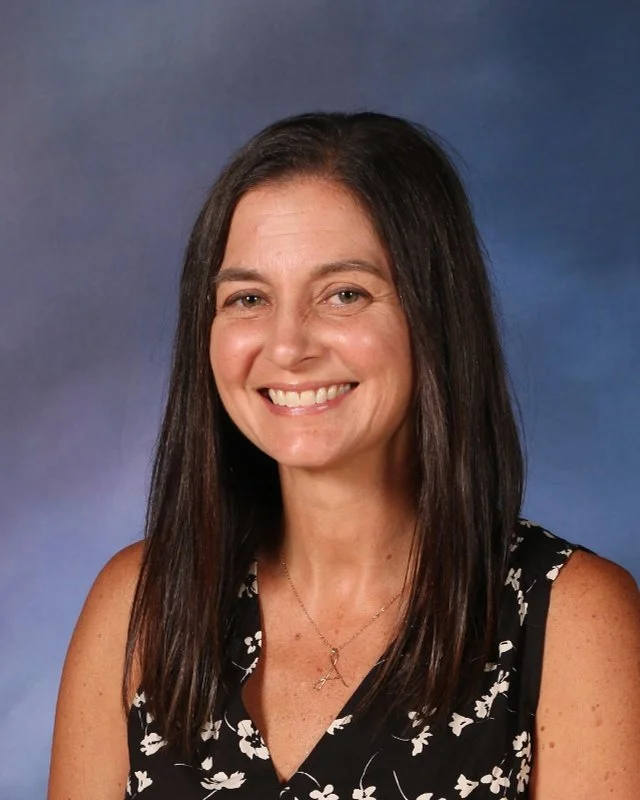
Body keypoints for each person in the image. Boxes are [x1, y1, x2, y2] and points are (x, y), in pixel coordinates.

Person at [48, 112, 640, 800]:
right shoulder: (141, 606)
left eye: (345, 293)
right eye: (248, 298)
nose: (289, 344)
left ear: (435, 315)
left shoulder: (573, 621)